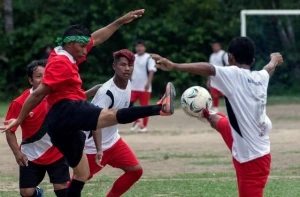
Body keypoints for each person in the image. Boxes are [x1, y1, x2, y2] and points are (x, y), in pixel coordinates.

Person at [2, 9, 175, 197]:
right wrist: (19, 119)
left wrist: (120, 21)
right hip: (66, 110)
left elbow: (97, 38)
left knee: (82, 174)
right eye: (82, 47)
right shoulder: (61, 63)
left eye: (86, 46)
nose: (86, 51)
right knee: (110, 115)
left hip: (61, 124)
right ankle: (160, 108)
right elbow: (37, 94)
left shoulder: (64, 52)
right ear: (70, 44)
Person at [152, 36, 283, 197]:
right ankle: (206, 112)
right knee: (218, 121)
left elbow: (209, 68)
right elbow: (268, 69)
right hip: (248, 143)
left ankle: (206, 113)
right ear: (253, 60)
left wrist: (174, 66)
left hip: (253, 159)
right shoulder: (260, 77)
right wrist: (274, 60)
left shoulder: (233, 73)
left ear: (230, 57)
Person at [4, 60, 69, 197]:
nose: (44, 79)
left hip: (56, 151)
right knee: (27, 193)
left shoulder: (58, 96)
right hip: (31, 154)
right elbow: (10, 131)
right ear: (30, 80)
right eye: (39, 76)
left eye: (47, 75)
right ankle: (38, 193)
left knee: (61, 189)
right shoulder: (19, 103)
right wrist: (17, 153)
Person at [83, 49, 143, 196]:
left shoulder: (127, 83)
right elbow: (95, 121)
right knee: (79, 179)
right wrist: (99, 149)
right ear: (114, 66)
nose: (127, 68)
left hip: (113, 141)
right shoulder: (106, 92)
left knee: (135, 171)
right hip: (93, 146)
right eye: (123, 65)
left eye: (130, 65)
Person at [130, 39, 156, 132]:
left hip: (144, 86)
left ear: (144, 47)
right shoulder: (133, 57)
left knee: (144, 106)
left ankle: (144, 126)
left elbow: (151, 71)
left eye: (141, 46)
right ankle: (137, 120)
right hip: (133, 86)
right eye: (137, 46)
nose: (139, 48)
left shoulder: (149, 57)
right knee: (129, 104)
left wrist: (148, 82)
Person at [206, 41, 229, 112]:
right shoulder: (212, 56)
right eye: (213, 46)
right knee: (214, 94)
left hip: (223, 77)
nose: (215, 47)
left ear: (219, 46)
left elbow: (228, 65)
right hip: (214, 77)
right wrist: (208, 79)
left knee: (227, 94)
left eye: (216, 46)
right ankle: (215, 109)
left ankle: (231, 108)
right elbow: (209, 68)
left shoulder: (224, 54)